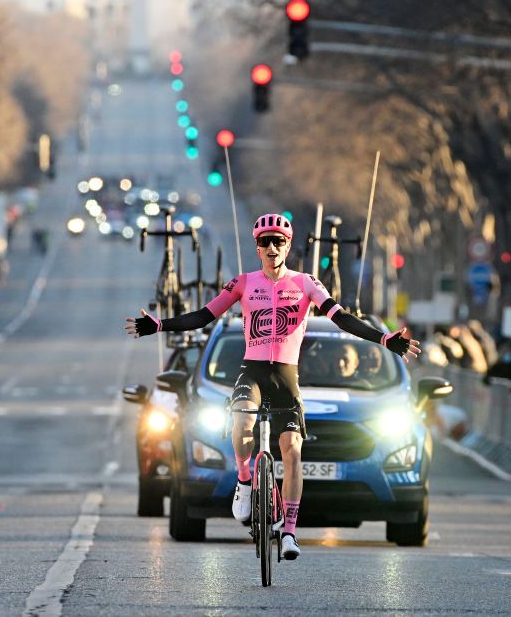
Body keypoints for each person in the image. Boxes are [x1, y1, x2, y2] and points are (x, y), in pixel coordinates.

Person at [125, 213, 420, 561]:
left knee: (292, 449)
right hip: (252, 372)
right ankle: (246, 481)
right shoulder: (242, 283)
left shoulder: (307, 283)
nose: (270, 247)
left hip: (286, 377)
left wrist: (385, 339)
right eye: (264, 241)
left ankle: (290, 532)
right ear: (257, 247)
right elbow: (204, 316)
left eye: (277, 240)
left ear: (288, 245)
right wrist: (159, 324)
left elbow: (341, 319)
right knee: (240, 420)